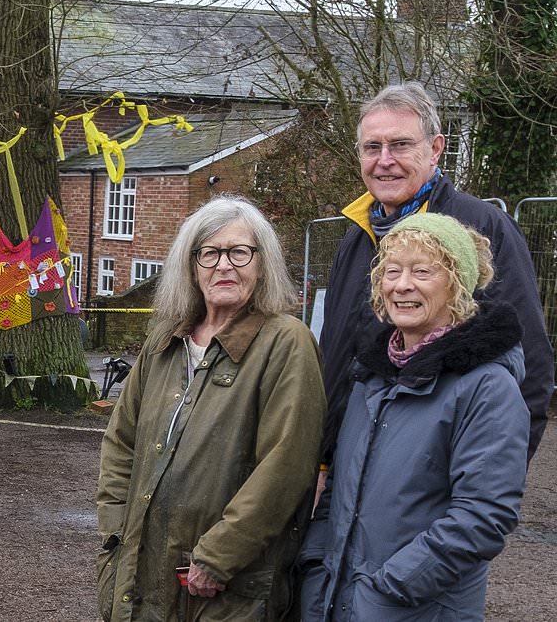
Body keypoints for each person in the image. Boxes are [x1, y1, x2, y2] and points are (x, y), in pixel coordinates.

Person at [96, 195, 326, 621]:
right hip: (140, 570)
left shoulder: (285, 343)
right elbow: (121, 443)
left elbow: (286, 465)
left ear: (262, 263)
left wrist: (219, 555)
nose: (224, 265)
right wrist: (115, 530)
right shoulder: (166, 339)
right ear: (191, 265)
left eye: (239, 251)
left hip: (224, 586)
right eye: (210, 253)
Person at [299, 213, 528, 620]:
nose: (402, 285)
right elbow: (337, 487)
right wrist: (316, 564)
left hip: (412, 606)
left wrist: (389, 587)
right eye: (392, 271)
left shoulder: (486, 387)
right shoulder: (371, 376)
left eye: (422, 271)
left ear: (457, 283)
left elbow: (482, 516)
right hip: (336, 599)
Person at [319, 82, 552, 472]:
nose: (384, 160)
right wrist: (325, 461)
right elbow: (336, 354)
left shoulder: (481, 229)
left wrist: (486, 485)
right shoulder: (356, 235)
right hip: (348, 470)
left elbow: (530, 363)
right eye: (372, 147)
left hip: (432, 479)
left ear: (436, 148)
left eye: (401, 145)